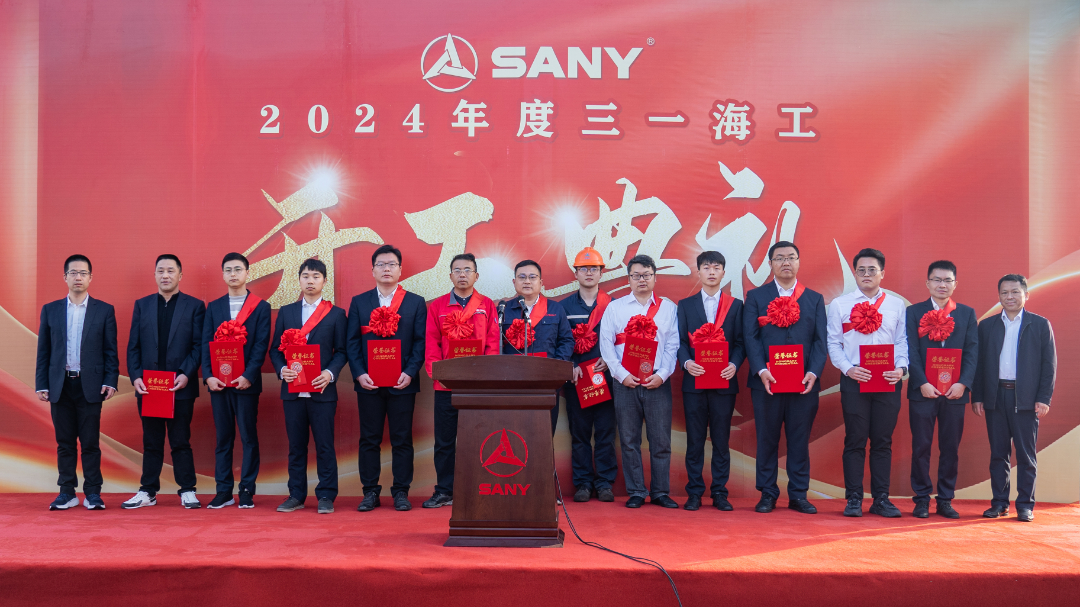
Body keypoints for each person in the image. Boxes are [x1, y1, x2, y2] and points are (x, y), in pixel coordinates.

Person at [742, 241, 827, 514]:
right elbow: (750, 337)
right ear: (771, 264)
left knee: (799, 440)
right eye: (779, 258)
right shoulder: (756, 297)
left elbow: (820, 341)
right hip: (766, 383)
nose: (786, 262)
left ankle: (798, 494)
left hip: (804, 384)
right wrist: (761, 369)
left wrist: (813, 372)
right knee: (767, 439)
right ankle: (767, 493)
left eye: (791, 257)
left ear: (799, 262)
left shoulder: (814, 299)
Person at [826, 248, 907, 518]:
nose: (867, 274)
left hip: (887, 381)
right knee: (855, 440)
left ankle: (881, 499)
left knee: (882, 441)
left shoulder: (896, 305)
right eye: (861, 270)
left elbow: (901, 341)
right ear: (855, 274)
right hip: (855, 381)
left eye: (872, 270)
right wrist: (848, 369)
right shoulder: (840, 304)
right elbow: (833, 343)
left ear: (882, 273)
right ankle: (854, 498)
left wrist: (900, 368)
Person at [347, 244, 427, 513]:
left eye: (391, 264)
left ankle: (401, 492)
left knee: (402, 439)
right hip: (368, 383)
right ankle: (370, 492)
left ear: (400, 270)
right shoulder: (359, 302)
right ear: (372, 270)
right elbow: (352, 342)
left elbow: (420, 342)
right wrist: (359, 373)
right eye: (381, 264)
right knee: (369, 439)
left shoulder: (415, 302)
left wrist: (410, 372)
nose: (386, 269)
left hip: (402, 383)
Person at [122, 254, 206, 510]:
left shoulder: (195, 306)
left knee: (181, 440)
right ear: (155, 275)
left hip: (180, 386)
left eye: (171, 270)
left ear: (180, 275)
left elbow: (199, 346)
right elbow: (133, 346)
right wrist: (136, 376)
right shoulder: (142, 305)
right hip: (149, 387)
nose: (165, 275)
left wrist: (186, 373)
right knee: (151, 441)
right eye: (161, 271)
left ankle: (187, 490)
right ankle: (147, 491)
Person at [35, 254, 119, 511]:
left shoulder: (104, 310)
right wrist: (42, 384)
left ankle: (93, 493)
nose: (78, 277)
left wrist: (111, 380)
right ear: (65, 277)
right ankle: (67, 492)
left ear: (91, 277)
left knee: (90, 443)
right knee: (65, 443)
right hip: (60, 385)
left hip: (90, 385)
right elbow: (44, 351)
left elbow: (110, 350)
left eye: (83, 273)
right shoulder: (50, 310)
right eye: (73, 273)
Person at [972, 274, 1056, 522]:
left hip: (1026, 398)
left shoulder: (1039, 325)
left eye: (1015, 292)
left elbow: (1049, 366)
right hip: (996, 396)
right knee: (998, 453)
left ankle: (1025, 505)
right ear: (999, 296)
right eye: (1004, 293)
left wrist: (1044, 398)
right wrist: (978, 396)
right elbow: (979, 365)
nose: (1009, 297)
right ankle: (999, 503)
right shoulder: (986, 326)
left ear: (1026, 295)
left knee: (1026, 455)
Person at [599, 254, 680, 509]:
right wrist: (621, 375)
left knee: (661, 441)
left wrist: (662, 374)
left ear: (655, 277)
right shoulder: (616, 308)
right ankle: (636, 491)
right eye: (636, 275)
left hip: (657, 380)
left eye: (646, 275)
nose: (641, 280)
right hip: (625, 381)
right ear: (629, 279)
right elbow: (606, 345)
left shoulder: (668, 308)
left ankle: (660, 492)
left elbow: (673, 345)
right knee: (629, 439)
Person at [269, 258, 348, 514]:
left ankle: (326, 495)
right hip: (292, 391)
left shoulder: (336, 314)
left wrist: (329, 373)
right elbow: (275, 350)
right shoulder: (287, 312)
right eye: (305, 276)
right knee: (296, 447)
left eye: (315, 276)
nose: (310, 281)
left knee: (324, 445)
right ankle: (296, 495)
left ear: (324, 281)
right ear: (299, 280)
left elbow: (342, 351)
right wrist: (281, 370)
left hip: (322, 391)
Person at [423, 253, 500, 508]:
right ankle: (445, 490)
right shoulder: (437, 306)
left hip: (478, 386)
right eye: (457, 270)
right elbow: (432, 344)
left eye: (467, 270)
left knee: (479, 440)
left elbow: (492, 344)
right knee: (444, 442)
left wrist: (485, 377)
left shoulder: (486, 305)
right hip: (446, 386)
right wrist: (438, 374)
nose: (462, 274)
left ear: (476, 275)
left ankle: (477, 488)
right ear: (450, 275)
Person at [905, 260, 978, 519]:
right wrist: (921, 382)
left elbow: (972, 352)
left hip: (955, 393)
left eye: (947, 280)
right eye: (937, 279)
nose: (942, 285)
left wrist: (963, 384)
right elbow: (910, 350)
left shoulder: (966, 313)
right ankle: (921, 499)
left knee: (950, 448)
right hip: (923, 391)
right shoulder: (914, 312)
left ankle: (945, 499)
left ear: (955, 284)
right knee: (921, 447)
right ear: (928, 283)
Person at [201, 252, 272, 509]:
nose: (233, 274)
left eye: (238, 269)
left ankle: (247, 490)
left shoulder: (260, 307)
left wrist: (248, 375)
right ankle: (223, 491)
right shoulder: (214, 307)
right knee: (223, 438)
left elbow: (261, 345)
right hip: (218, 384)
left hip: (246, 384)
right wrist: (208, 376)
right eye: (228, 270)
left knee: (248, 437)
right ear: (223, 275)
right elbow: (205, 343)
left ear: (247, 273)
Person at [676, 251, 744, 511]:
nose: (712, 272)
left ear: (724, 272)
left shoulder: (736, 305)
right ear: (699, 272)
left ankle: (720, 492)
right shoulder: (686, 305)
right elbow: (680, 341)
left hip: (724, 383)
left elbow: (740, 343)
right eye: (706, 267)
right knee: (694, 441)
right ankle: (694, 493)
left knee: (721, 441)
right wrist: (686, 363)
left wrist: (734, 364)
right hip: (694, 382)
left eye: (716, 267)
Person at [560, 247, 618, 503]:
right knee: (580, 434)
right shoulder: (563, 307)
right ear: (576, 273)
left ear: (601, 272)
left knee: (606, 433)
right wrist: (569, 365)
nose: (589, 273)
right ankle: (583, 483)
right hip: (577, 380)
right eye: (583, 269)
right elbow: (560, 341)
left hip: (606, 378)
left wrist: (610, 360)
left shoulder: (613, 305)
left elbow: (620, 340)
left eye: (593, 268)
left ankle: (604, 483)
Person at [499, 259, 574, 432]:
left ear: (540, 282)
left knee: (544, 432)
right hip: (512, 383)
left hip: (546, 382)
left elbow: (566, 340)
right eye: (522, 277)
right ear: (514, 282)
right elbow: (496, 344)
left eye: (532, 277)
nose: (527, 281)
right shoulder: (503, 310)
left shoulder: (555, 309)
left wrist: (555, 369)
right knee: (514, 432)